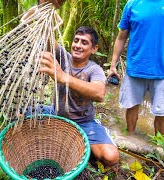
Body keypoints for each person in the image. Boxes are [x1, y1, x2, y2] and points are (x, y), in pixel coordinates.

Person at [108, 0, 164, 135]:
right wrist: (113, 64)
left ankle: (159, 148)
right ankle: (130, 137)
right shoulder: (132, 3)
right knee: (131, 106)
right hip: (136, 68)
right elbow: (121, 36)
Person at [38, 26, 119, 166]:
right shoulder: (63, 57)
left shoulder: (94, 69)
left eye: (84, 42)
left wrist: (63, 77)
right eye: (76, 41)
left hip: (83, 122)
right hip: (55, 114)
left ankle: (89, 136)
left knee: (110, 157)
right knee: (20, 113)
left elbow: (99, 94)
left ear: (94, 49)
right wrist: (43, 7)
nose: (78, 45)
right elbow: (47, 36)